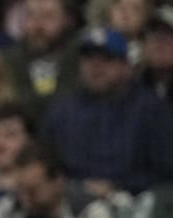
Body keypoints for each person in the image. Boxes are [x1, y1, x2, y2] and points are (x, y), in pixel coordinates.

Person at [40, 25, 173, 196]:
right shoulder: (60, 112)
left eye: (106, 58)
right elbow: (43, 167)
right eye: (88, 58)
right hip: (71, 201)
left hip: (133, 202)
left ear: (126, 67)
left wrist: (118, 186)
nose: (96, 66)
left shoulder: (152, 110)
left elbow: (166, 172)